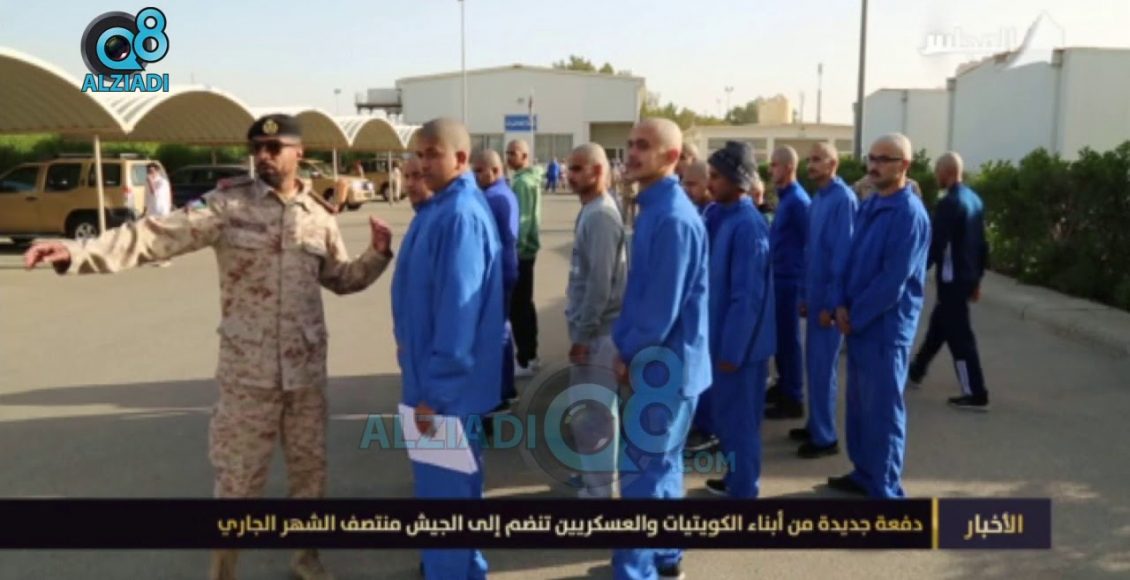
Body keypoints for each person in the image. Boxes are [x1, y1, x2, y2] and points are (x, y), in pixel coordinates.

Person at [24, 114, 394, 580]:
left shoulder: (319, 217)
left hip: (304, 376)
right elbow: (156, 235)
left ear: (299, 152)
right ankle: (222, 573)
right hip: (248, 378)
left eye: (274, 148)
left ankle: (306, 559)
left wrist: (378, 254)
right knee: (237, 486)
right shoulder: (227, 206)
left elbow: (340, 278)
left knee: (310, 478)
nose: (263, 156)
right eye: (256, 148)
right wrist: (79, 252)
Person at [392, 118, 503, 579]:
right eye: (419, 154)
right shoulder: (439, 209)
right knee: (455, 497)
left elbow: (459, 315)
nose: (422, 163)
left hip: (443, 394)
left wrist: (434, 395)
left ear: (460, 158)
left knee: (444, 506)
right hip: (436, 386)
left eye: (432, 154)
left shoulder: (459, 216)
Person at [612, 118, 710, 580]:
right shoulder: (657, 208)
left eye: (644, 146)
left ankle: (636, 572)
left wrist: (627, 351)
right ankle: (666, 556)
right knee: (662, 469)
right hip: (670, 366)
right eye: (630, 144)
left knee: (642, 478)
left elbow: (658, 309)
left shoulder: (671, 217)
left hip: (662, 369)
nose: (632, 153)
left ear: (671, 157)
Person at [829, 133, 931, 498]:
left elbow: (893, 281)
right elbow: (851, 257)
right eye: (871, 158)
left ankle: (885, 489)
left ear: (904, 166)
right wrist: (840, 302)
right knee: (859, 408)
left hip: (886, 329)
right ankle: (864, 473)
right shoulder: (871, 204)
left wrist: (855, 315)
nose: (874, 166)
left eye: (884, 159)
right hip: (858, 324)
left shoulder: (909, 214)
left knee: (884, 411)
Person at [700, 142, 775, 499]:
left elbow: (748, 297)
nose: (709, 183)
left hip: (741, 350)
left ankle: (744, 490)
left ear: (737, 179)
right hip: (723, 341)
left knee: (741, 424)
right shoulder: (723, 216)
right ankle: (735, 480)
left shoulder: (748, 226)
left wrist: (733, 350)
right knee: (728, 421)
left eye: (716, 176)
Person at [563, 143, 626, 499]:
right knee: (588, 411)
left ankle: (600, 490)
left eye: (577, 169)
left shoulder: (600, 216)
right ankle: (593, 477)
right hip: (592, 331)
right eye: (569, 168)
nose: (569, 176)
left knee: (595, 414)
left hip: (599, 334)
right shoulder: (592, 210)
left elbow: (600, 284)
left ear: (598, 171)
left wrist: (584, 335)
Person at [909, 151, 990, 410]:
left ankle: (975, 393)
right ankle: (916, 370)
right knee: (939, 326)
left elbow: (935, 245)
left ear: (946, 172)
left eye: (937, 171)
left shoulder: (949, 203)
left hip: (952, 280)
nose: (935, 176)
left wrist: (915, 273)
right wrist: (977, 280)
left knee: (960, 338)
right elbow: (982, 245)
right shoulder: (974, 199)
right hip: (965, 278)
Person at [792, 143, 858, 458]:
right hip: (815, 295)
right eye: (810, 159)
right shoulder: (818, 199)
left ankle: (825, 437)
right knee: (814, 367)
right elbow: (810, 252)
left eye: (817, 160)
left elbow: (842, 255)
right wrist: (805, 294)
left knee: (823, 368)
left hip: (828, 302)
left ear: (833, 164)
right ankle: (815, 423)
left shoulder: (843, 200)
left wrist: (832, 305)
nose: (811, 165)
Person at [471, 149, 521, 415]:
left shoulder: (491, 198)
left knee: (494, 332)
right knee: (502, 328)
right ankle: (506, 388)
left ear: (494, 170)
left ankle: (499, 393)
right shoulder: (505, 194)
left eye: (479, 171)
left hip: (497, 272)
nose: (476, 176)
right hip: (507, 267)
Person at [765, 146, 812, 420]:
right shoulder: (786, 199)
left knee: (789, 340)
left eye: (774, 165)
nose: (770, 170)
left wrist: (804, 289)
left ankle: (793, 396)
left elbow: (809, 245)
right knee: (781, 338)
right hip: (779, 277)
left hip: (790, 280)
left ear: (788, 167)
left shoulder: (798, 201)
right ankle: (783, 386)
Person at [505, 139, 543, 377]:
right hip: (528, 251)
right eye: (507, 153)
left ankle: (525, 358)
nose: (509, 157)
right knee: (525, 305)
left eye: (513, 153)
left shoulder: (522, 183)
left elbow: (523, 220)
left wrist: (514, 248)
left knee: (518, 308)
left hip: (521, 252)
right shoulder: (529, 179)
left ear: (525, 155)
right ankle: (531, 354)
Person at [144, 162, 173, 267]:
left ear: (157, 171)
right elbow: (147, 196)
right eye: (148, 171)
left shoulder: (162, 182)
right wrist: (145, 209)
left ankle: (167, 259)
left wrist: (150, 181)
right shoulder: (147, 182)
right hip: (151, 211)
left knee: (162, 235)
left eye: (152, 171)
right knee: (151, 235)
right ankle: (155, 257)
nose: (150, 173)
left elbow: (155, 194)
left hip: (162, 211)